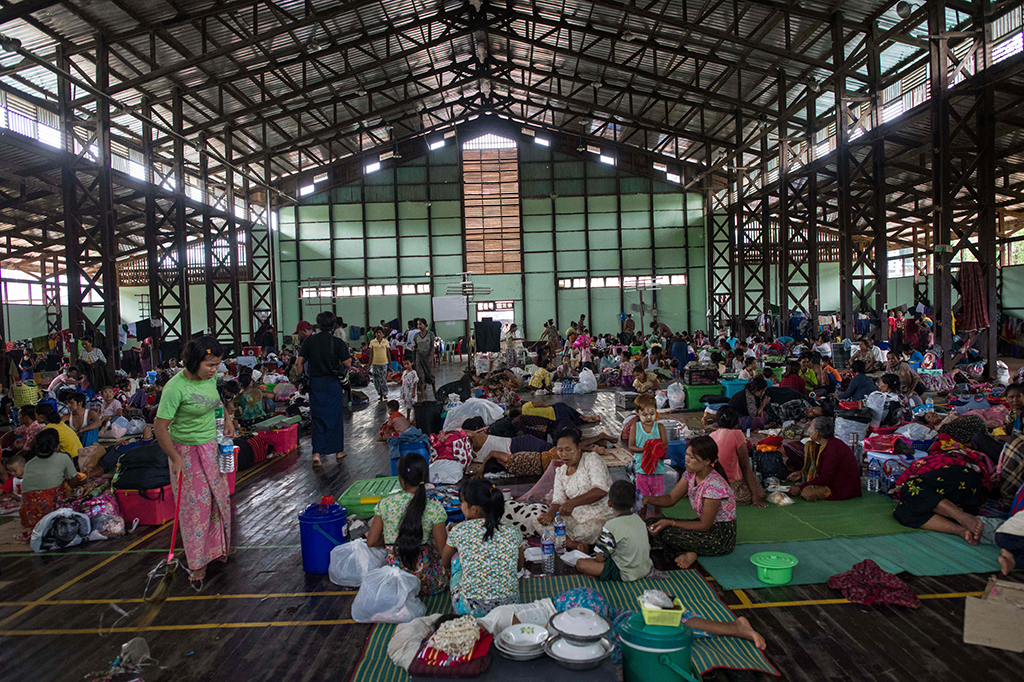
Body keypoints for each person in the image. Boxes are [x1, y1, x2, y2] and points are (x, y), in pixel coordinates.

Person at [154, 336, 236, 582]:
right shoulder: (175, 388)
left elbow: (215, 403)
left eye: (217, 365)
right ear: (193, 362)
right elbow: (160, 428)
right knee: (195, 508)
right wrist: (175, 458)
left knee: (218, 499)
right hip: (186, 452)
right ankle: (197, 562)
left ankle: (219, 548)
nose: (214, 370)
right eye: (210, 365)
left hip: (211, 446)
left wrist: (228, 420)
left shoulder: (208, 380)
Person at [645, 436, 737, 568]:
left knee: (669, 535)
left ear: (707, 461)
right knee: (652, 524)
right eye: (687, 455)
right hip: (705, 526)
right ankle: (687, 549)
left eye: (692, 457)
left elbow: (705, 525)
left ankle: (689, 553)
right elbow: (671, 498)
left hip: (719, 536)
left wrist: (671, 523)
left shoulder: (715, 486)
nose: (686, 460)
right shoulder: (691, 474)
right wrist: (647, 498)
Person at [366, 454, 448, 595]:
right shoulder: (434, 507)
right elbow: (443, 553)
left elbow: (371, 541)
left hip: (395, 583)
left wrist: (392, 540)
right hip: (427, 583)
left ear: (402, 480)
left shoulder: (385, 504)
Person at [442, 478, 523, 616]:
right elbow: (519, 567)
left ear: (474, 510)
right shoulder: (512, 530)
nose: (461, 506)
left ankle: (466, 600)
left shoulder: (459, 530)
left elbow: (445, 562)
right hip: (510, 608)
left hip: (470, 610)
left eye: (462, 502)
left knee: (456, 559)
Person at [535, 428, 614, 547]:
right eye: (560, 450)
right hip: (575, 518)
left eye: (568, 449)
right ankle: (575, 545)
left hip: (600, 516)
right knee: (537, 523)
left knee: (585, 532)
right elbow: (558, 501)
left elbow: (600, 490)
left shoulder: (591, 459)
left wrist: (572, 503)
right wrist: (550, 515)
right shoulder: (560, 472)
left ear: (578, 447)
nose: (564, 454)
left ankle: (567, 541)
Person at [296, 311, 353, 467]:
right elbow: (348, 363)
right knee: (335, 417)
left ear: (318, 325)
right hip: (333, 383)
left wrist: (300, 380)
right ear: (334, 325)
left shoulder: (309, 342)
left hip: (316, 384)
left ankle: (316, 454)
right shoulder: (337, 342)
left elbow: (299, 363)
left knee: (317, 418)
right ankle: (338, 451)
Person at [575, 480, 653, 582]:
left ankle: (596, 573)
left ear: (609, 503)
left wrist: (588, 559)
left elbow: (599, 558)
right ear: (634, 503)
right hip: (645, 568)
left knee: (581, 564)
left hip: (626, 572)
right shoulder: (639, 520)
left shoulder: (611, 526)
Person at [787, 417, 863, 501]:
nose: (809, 431)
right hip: (833, 481)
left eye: (811, 428)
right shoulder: (824, 445)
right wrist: (801, 473)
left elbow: (825, 478)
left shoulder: (832, 449)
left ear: (816, 433)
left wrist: (801, 487)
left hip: (842, 487)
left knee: (806, 493)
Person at [711, 406, 766, 506]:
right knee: (760, 490)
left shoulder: (712, 435)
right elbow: (745, 466)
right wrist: (755, 496)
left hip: (712, 482)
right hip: (729, 483)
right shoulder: (737, 434)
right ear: (737, 421)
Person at [628, 393, 667, 499]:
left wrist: (655, 448)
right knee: (642, 499)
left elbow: (665, 446)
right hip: (641, 471)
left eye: (652, 413)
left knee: (658, 498)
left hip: (657, 471)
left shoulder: (660, 427)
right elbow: (631, 446)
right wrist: (644, 449)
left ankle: (658, 515)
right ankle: (642, 516)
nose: (649, 417)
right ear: (637, 413)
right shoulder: (635, 428)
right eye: (644, 415)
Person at [21, 430, 80, 494]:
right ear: (57, 445)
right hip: (51, 501)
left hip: (27, 502)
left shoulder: (29, 463)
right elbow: (74, 484)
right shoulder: (63, 457)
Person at [413, 318, 436, 401]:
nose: (419, 326)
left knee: (429, 374)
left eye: (420, 324)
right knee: (421, 375)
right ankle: (423, 397)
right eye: (418, 324)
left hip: (427, 357)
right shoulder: (416, 336)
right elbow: (416, 346)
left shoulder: (430, 334)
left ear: (425, 325)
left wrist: (431, 355)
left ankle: (434, 391)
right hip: (419, 357)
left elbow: (432, 346)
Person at [369, 327, 391, 403]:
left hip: (384, 362)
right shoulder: (372, 342)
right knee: (376, 379)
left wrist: (390, 363)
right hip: (375, 363)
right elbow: (371, 354)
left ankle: (384, 393)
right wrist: (369, 364)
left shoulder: (386, 342)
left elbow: (388, 353)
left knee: (383, 379)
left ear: (382, 334)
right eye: (377, 333)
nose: (378, 334)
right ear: (375, 334)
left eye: (380, 332)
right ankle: (379, 393)